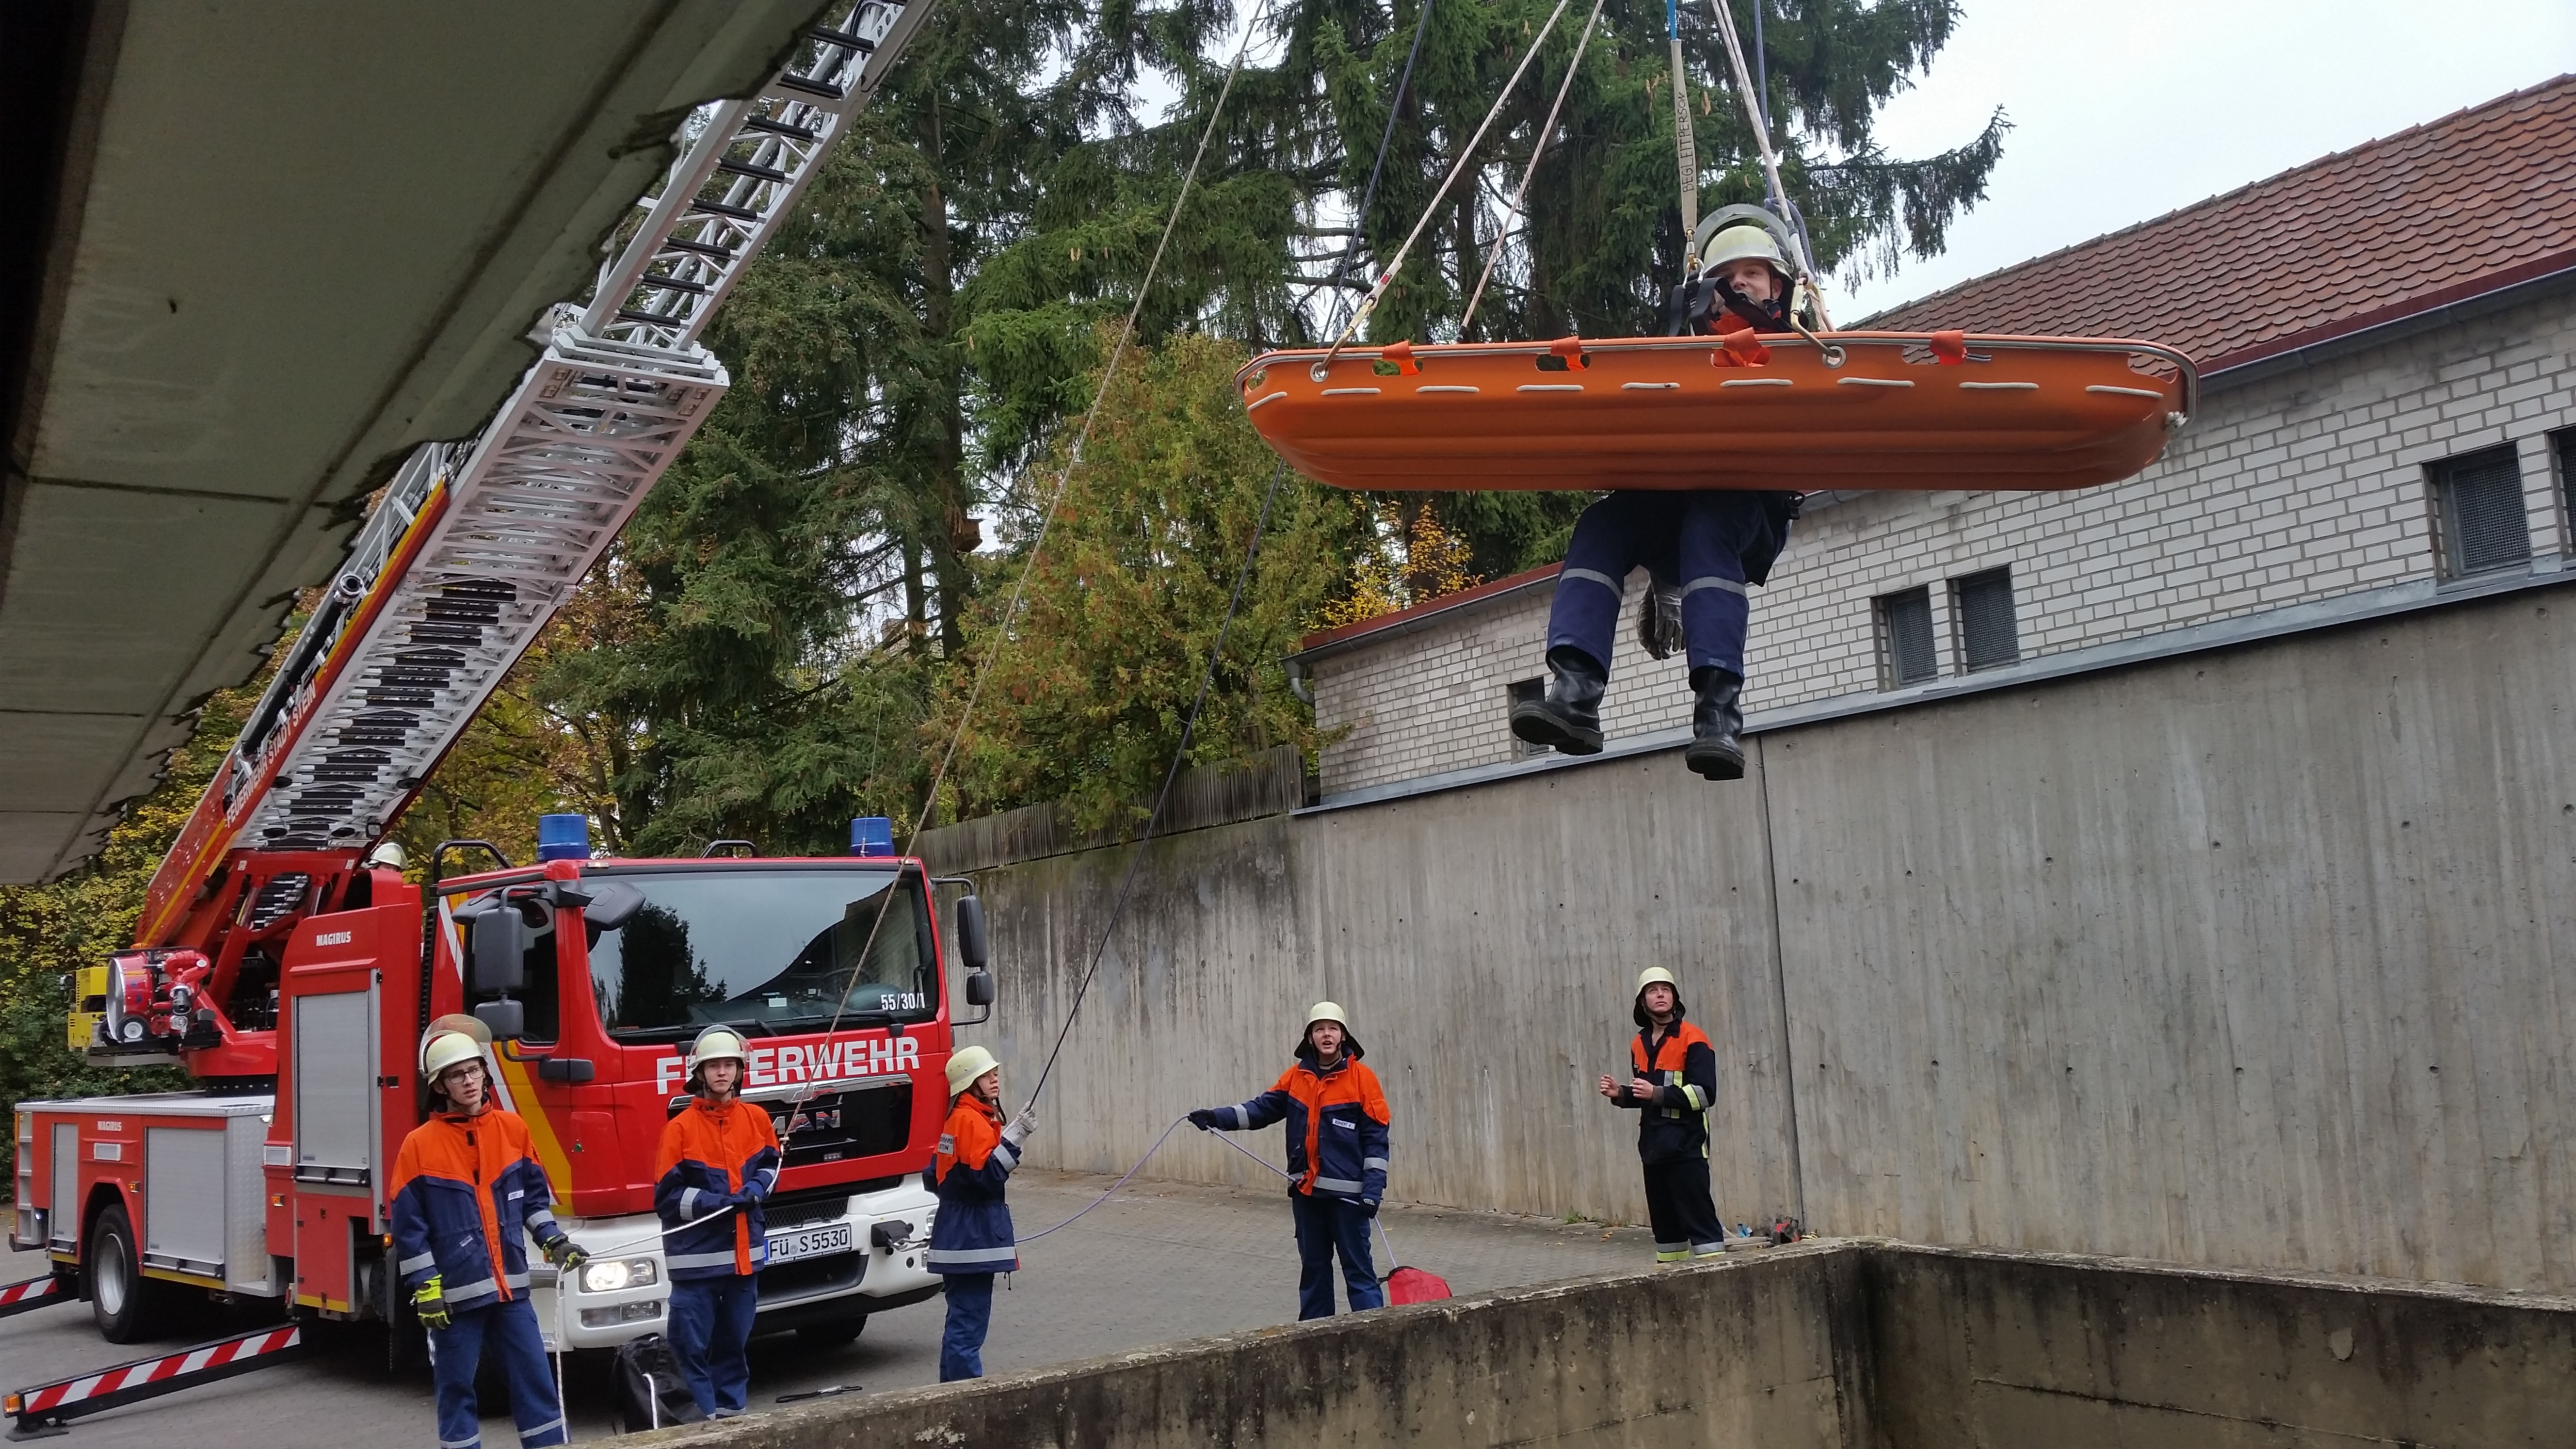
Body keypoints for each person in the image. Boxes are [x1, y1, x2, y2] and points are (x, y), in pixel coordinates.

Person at [1509, 223, 1806, 782]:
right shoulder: (1683, 349)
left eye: (1752, 275)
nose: (1738, 285)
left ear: (1776, 288)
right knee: (1603, 523)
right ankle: (1575, 691)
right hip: (1676, 501)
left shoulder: (1797, 346)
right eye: (1726, 278)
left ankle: (1717, 713)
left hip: (1746, 513)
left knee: (1706, 528)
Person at [390, 1028, 586, 1449]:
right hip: (456, 1299)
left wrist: (555, 1241)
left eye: (474, 1070)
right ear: (440, 1086)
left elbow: (532, 1201)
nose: (468, 1081)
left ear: (485, 1073)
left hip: (511, 1291)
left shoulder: (513, 1129)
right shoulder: (418, 1146)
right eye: (456, 1075)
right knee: (457, 1389)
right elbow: (409, 1228)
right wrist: (427, 1287)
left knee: (536, 1383)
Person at [1189, 1002, 1391, 1320]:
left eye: (1333, 1028)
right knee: (1314, 1273)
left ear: (1343, 1036)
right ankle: (1314, 1341)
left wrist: (1373, 1190)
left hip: (1348, 1199)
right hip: (1307, 1195)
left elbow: (1377, 1139)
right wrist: (1216, 1117)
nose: (1326, 1034)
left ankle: (1376, 1339)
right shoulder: (1296, 1078)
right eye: (1319, 1029)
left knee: (1360, 1274)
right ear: (1310, 1037)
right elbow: (1260, 1110)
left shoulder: (1363, 1080)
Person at [652, 1026, 781, 1420]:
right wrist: (718, 1203)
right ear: (700, 1073)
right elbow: (667, 1200)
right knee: (689, 1348)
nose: (722, 1073)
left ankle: (731, 1415)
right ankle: (700, 1423)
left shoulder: (756, 1118)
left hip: (744, 1260)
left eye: (729, 1065)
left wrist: (757, 1188)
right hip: (698, 1264)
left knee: (734, 1345)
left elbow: (772, 1166)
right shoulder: (679, 1130)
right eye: (714, 1066)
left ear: (740, 1071)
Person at [1597, 967, 1725, 1263]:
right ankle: (1671, 1283)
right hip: (1654, 1150)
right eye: (1652, 990)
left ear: (1674, 998)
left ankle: (1717, 1278)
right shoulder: (1638, 1043)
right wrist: (1622, 1094)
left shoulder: (1694, 1038)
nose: (1660, 995)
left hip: (1687, 1147)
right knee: (1666, 1234)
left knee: (1701, 1226)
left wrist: (1657, 1094)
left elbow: (1706, 1094)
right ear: (1643, 1002)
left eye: (1665, 990)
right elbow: (1648, 1096)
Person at [926, 1044, 1035, 1381]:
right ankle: (963, 1398)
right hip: (971, 1238)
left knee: (961, 1322)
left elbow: (935, 1175)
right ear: (968, 1083)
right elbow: (985, 1176)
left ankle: (950, 1393)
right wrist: (1015, 1138)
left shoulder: (959, 1119)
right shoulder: (971, 1120)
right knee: (969, 1328)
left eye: (995, 1073)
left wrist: (1003, 1137)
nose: (994, 1079)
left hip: (956, 1234)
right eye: (986, 1075)